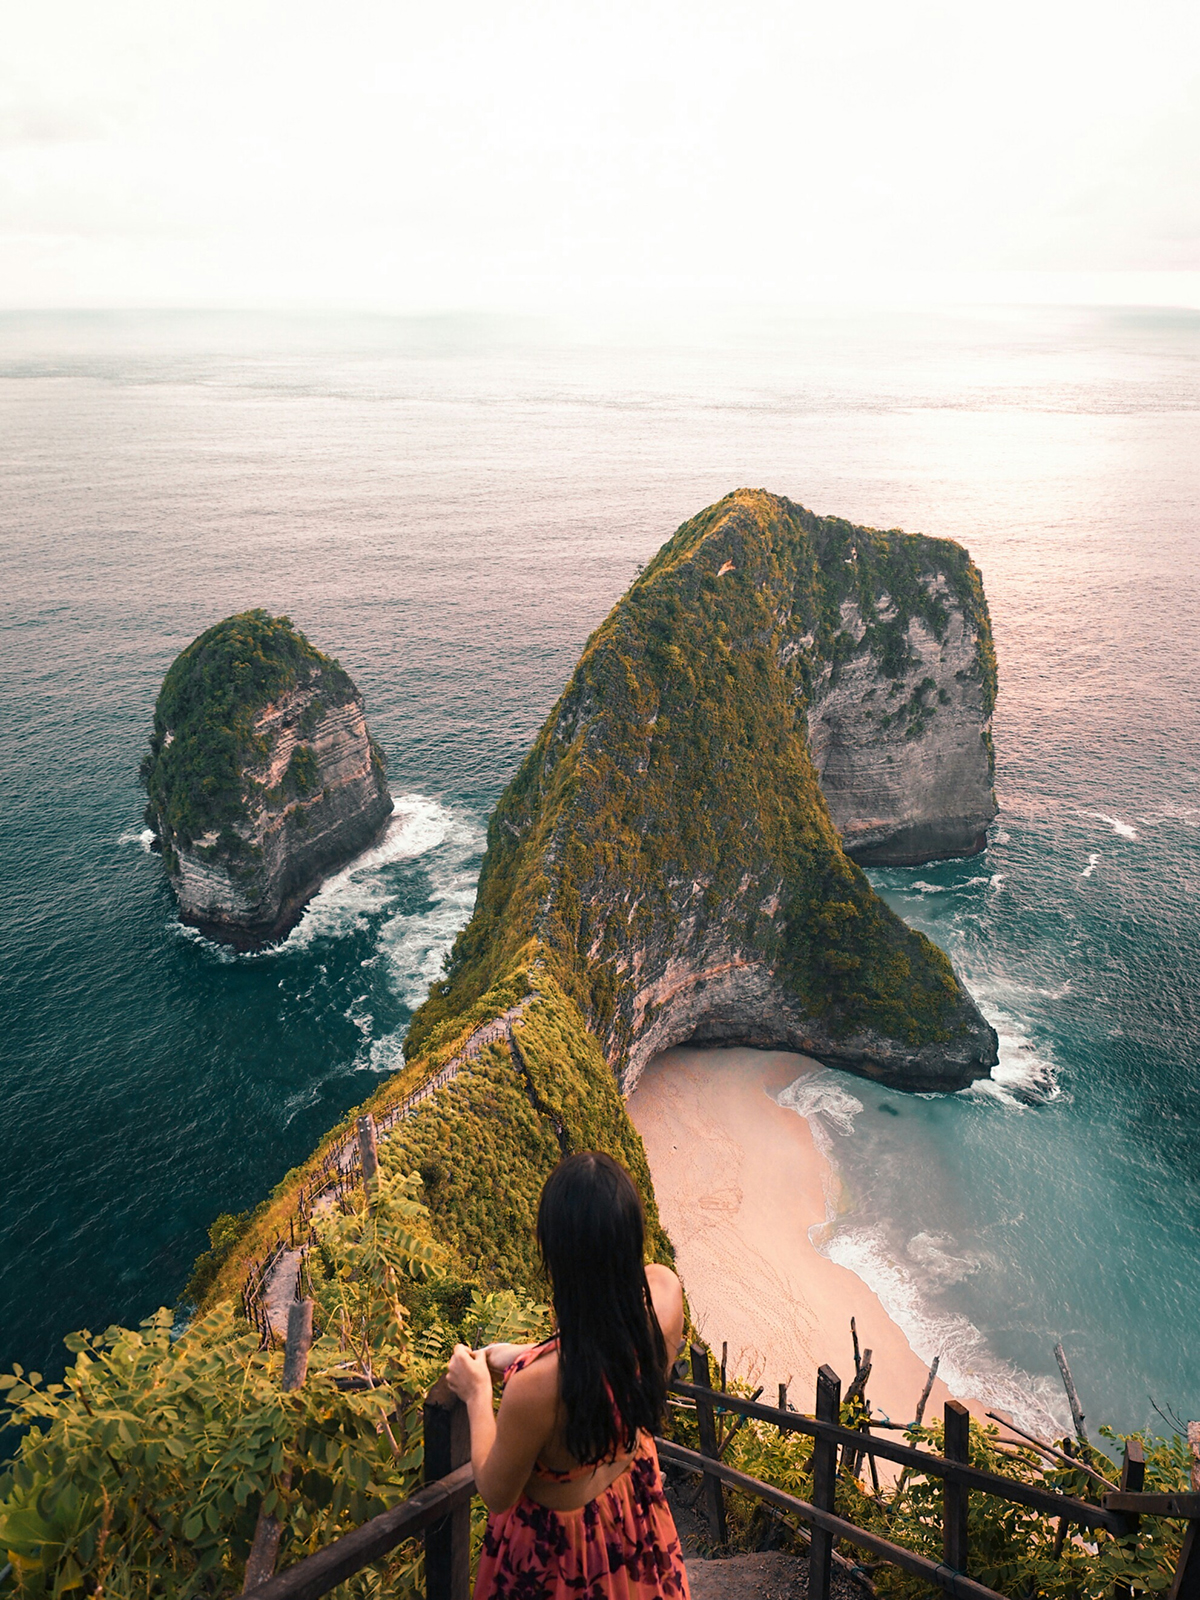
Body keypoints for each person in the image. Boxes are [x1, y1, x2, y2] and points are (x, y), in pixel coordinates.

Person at [445, 1151, 691, 1599]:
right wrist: (534, 1352)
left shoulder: (535, 1390)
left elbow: (496, 1492)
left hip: (561, 1556)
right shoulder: (665, 1298)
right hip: (631, 1516)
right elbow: (606, 1347)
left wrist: (477, 1392)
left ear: (555, 1253)